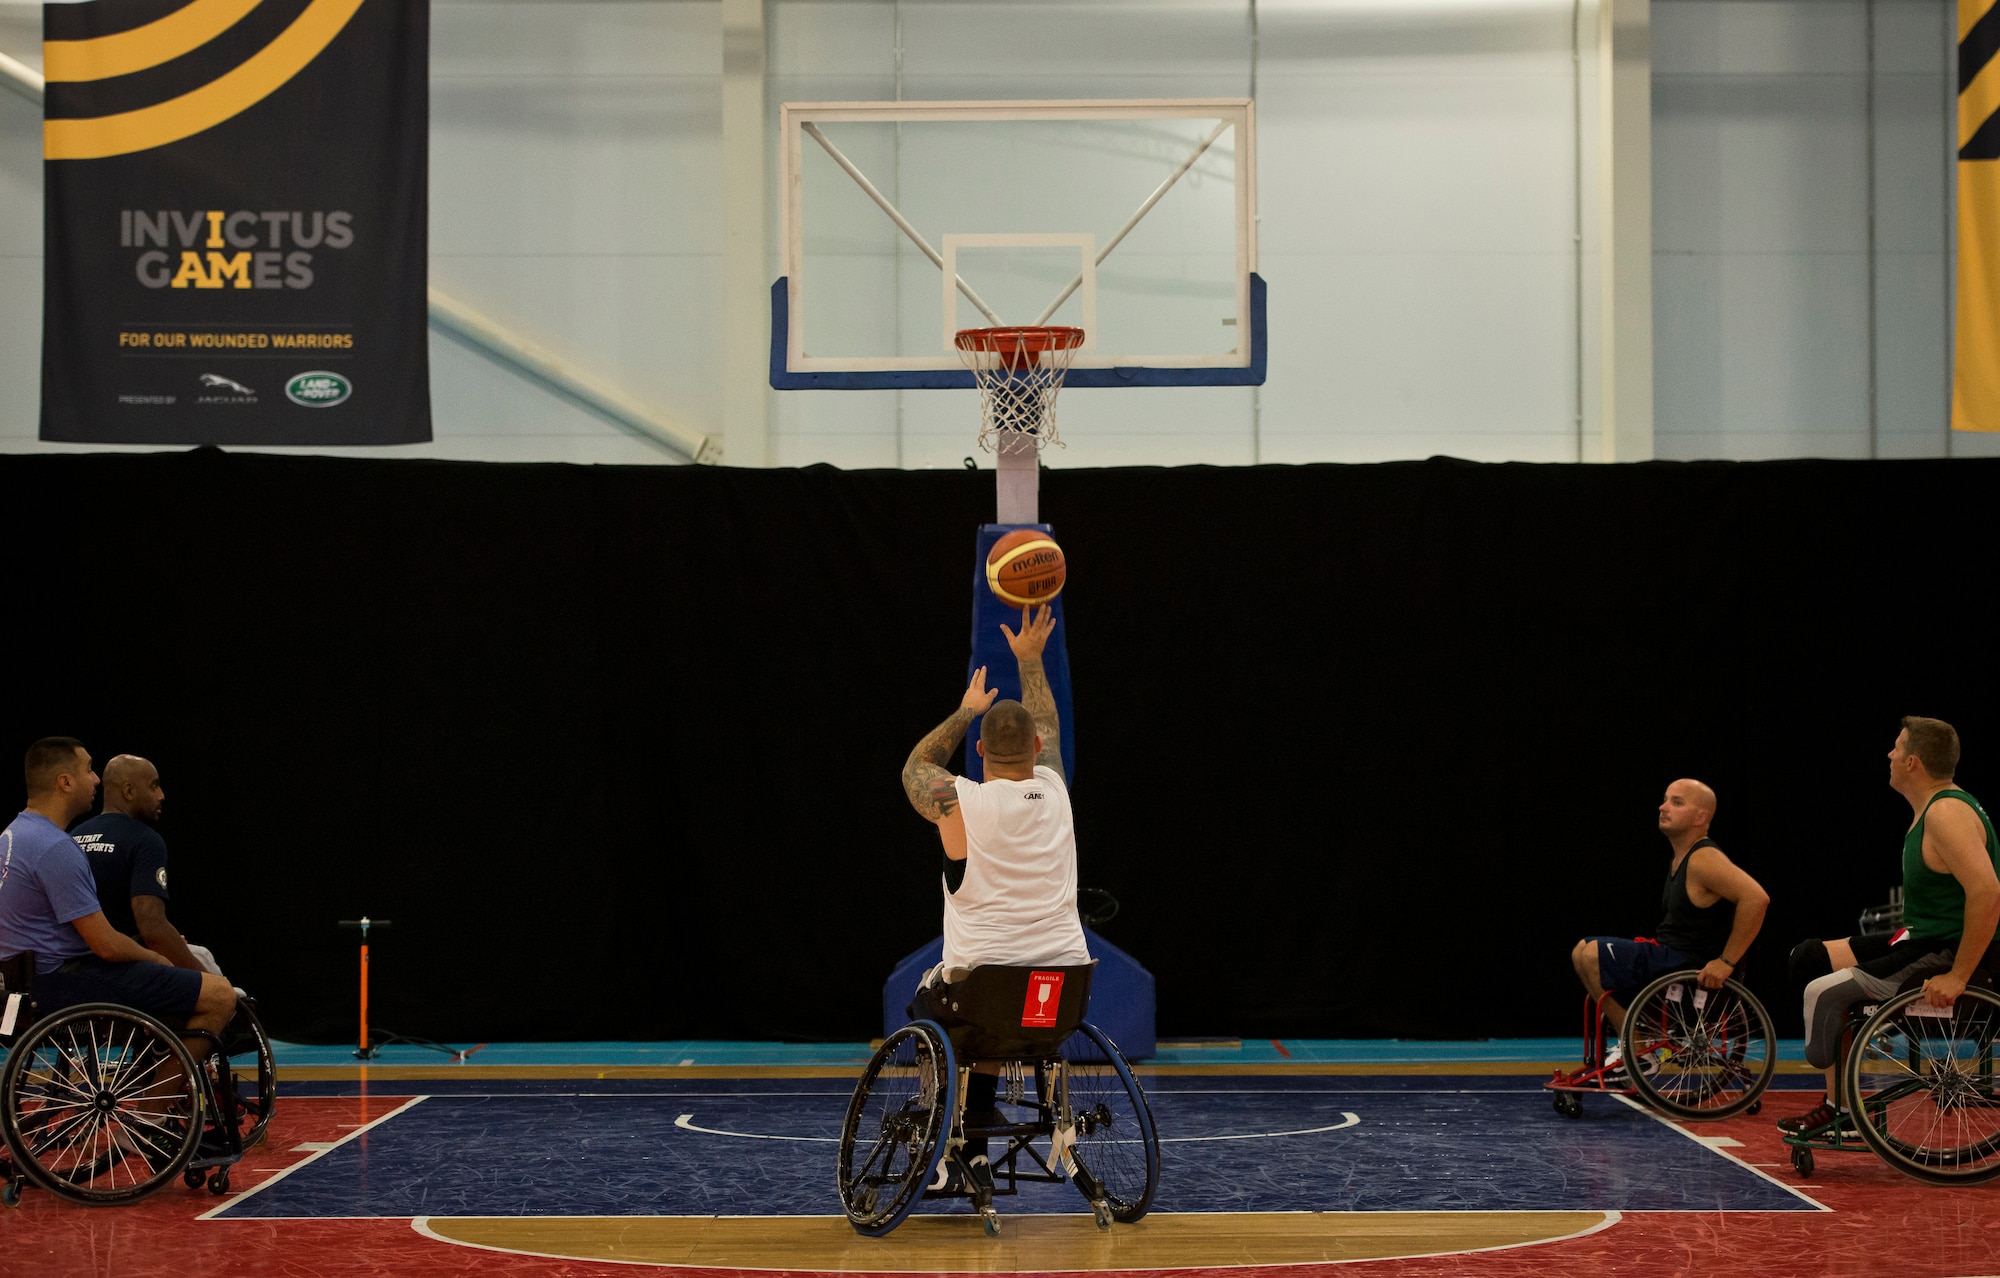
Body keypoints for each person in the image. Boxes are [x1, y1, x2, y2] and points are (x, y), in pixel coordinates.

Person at [899, 603, 1088, 1184]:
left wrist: (965, 711)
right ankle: (982, 1132)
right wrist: (1031, 660)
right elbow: (1051, 728)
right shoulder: (1056, 790)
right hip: (1061, 1000)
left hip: (981, 1001)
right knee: (996, 1001)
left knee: (935, 1004)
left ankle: (950, 1143)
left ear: (980, 753)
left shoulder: (960, 800)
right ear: (1036, 750)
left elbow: (916, 765)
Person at [1779, 717, 2000, 1135]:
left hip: (1947, 950)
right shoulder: (1933, 808)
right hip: (1923, 937)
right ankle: (1839, 1104)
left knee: (1822, 994)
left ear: (1913, 762)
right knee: (1810, 958)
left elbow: (1988, 894)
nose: (1890, 754)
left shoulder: (1946, 813)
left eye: (1896, 747)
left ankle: (1838, 1110)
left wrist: (1958, 975)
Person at [0, 738, 235, 1040]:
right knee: (220, 996)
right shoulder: (55, 847)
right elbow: (107, 945)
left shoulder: (11, 836)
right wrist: (154, 957)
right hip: (65, 983)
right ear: (66, 782)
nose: (96, 779)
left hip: (28, 980)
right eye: (88, 769)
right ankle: (158, 1088)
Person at [1570, 778, 1770, 1070]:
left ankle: (1638, 1054)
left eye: (1677, 802)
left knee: (1590, 952)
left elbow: (1757, 898)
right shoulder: (1682, 857)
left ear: (1701, 817)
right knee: (1581, 952)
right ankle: (1639, 1045)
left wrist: (1726, 961)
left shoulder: (1704, 858)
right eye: (1665, 800)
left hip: (1688, 967)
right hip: (1671, 960)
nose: (1663, 807)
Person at [71, 754, 220, 977]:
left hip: (77, 965)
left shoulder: (71, 839)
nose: (161, 795)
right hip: (122, 967)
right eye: (154, 786)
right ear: (129, 791)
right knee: (224, 994)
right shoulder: (144, 839)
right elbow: (152, 928)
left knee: (198, 953)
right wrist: (207, 981)